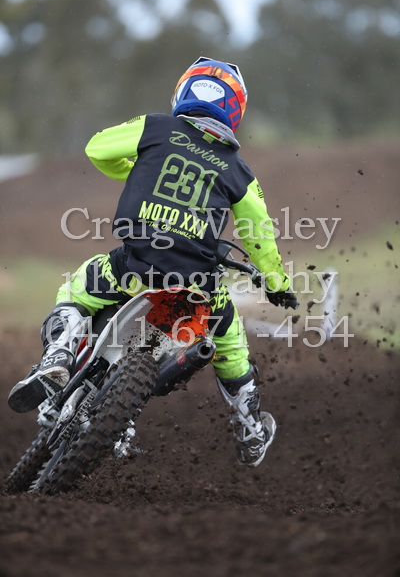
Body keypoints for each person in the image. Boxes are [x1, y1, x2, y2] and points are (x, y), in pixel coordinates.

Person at [8, 57, 298, 467]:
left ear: (184, 92)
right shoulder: (239, 170)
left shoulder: (158, 128)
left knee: (78, 286)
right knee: (231, 342)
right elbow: (259, 233)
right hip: (198, 287)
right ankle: (250, 427)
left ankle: (58, 355)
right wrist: (277, 284)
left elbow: (97, 148)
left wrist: (138, 170)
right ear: (235, 108)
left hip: (135, 267)